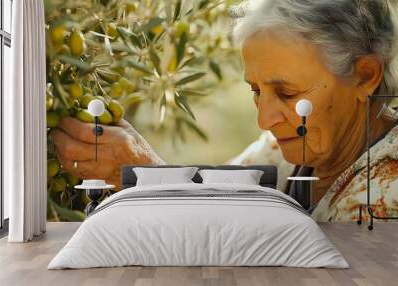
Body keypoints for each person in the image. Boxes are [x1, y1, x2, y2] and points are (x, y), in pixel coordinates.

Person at [52, 0, 398, 222]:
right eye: (256, 91)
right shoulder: (281, 149)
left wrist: (146, 175)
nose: (265, 120)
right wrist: (135, 168)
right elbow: (216, 201)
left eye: (287, 92)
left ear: (365, 75)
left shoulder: (385, 196)